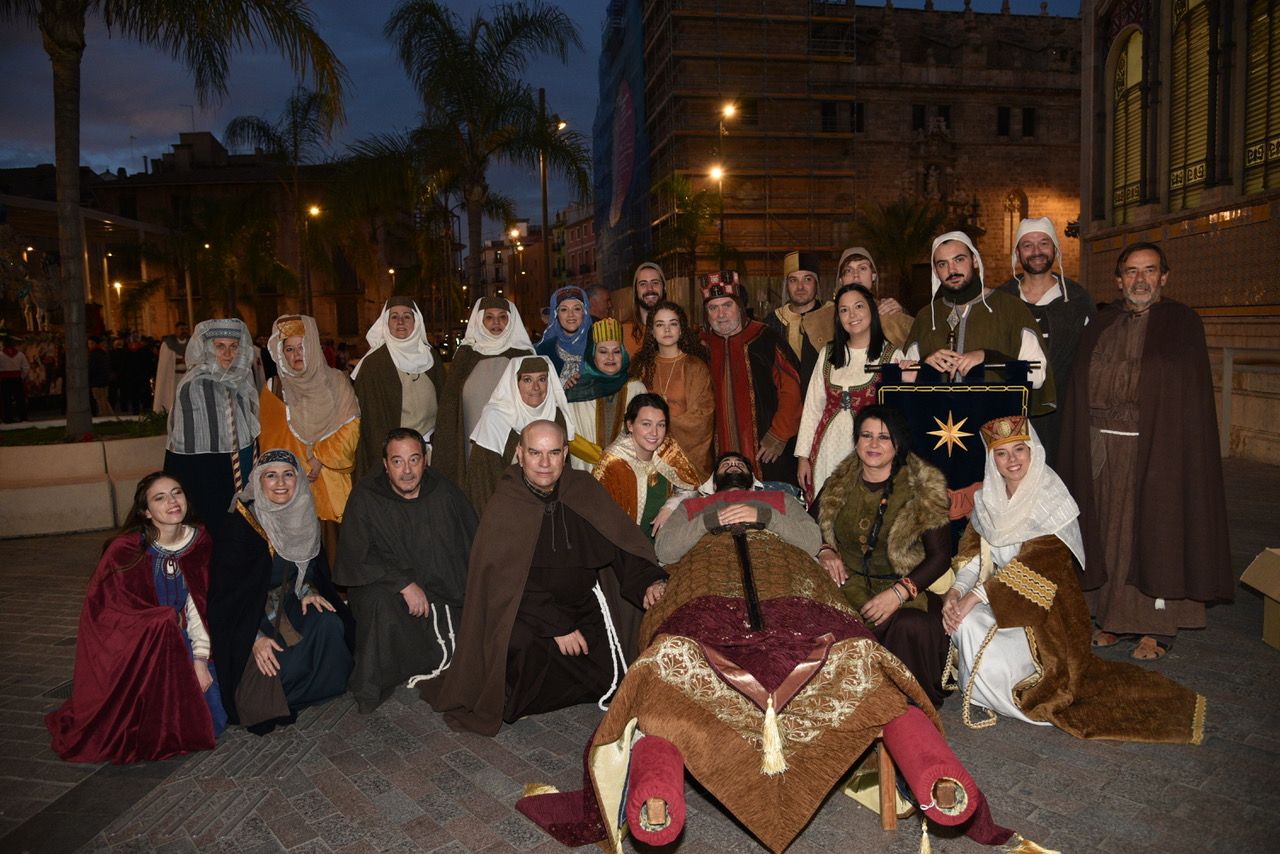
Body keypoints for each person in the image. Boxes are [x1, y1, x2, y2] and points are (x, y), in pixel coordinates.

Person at [942, 416, 1205, 742]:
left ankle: (1021, 693)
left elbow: (1036, 567)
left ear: (1033, 451)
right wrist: (956, 592)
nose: (1012, 460)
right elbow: (974, 557)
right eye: (1002, 453)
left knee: (975, 617)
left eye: (1019, 450)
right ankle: (985, 694)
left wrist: (974, 598)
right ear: (991, 459)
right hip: (1000, 596)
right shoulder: (986, 502)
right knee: (965, 622)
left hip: (1047, 611)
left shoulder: (1051, 499)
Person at [425, 420, 668, 735]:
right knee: (519, 648)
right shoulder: (506, 503)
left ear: (565, 454)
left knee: (614, 667)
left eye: (553, 453)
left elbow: (620, 544)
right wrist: (557, 625)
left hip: (582, 605)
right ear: (520, 454)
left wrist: (649, 580)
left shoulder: (582, 488)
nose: (544, 463)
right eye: (535, 452)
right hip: (524, 612)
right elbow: (502, 583)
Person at [1058, 242, 1233, 661]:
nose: (1140, 280)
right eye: (1131, 272)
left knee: (1153, 532)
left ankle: (1156, 627)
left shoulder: (1181, 324)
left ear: (1164, 277)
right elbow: (1080, 386)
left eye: (1149, 271)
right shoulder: (1101, 323)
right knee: (1105, 534)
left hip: (1158, 448)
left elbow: (1184, 396)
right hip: (1101, 449)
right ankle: (1113, 620)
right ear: (1118, 281)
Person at [47, 472, 227, 762]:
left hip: (189, 642)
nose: (172, 501)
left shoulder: (201, 541)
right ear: (146, 511)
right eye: (160, 497)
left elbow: (199, 606)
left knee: (214, 717)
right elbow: (105, 614)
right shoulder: (126, 550)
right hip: (140, 649)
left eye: (177, 493)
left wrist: (200, 660)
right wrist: (159, 622)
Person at [811, 404, 953, 707]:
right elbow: (810, 523)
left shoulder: (922, 486)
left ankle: (907, 707)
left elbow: (941, 557)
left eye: (884, 438)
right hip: (847, 587)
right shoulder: (838, 481)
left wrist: (899, 594)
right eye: (866, 435)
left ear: (897, 443)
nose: (874, 444)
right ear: (856, 440)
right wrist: (825, 549)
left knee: (913, 627)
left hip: (905, 588)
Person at [209, 450, 355, 732]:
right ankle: (284, 691)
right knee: (265, 675)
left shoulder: (303, 512)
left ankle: (313, 687)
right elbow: (226, 595)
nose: (280, 483)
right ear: (258, 482)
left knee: (328, 623)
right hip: (246, 617)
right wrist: (253, 637)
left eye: (288, 474)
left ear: (299, 479)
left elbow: (311, 568)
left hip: (288, 603)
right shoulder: (239, 525)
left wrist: (309, 589)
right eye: (270, 476)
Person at [335, 428, 477, 713]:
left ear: (425, 460)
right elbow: (356, 555)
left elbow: (472, 542)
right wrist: (404, 583)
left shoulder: (444, 492)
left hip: (444, 590)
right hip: (390, 588)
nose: (407, 471)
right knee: (377, 604)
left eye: (414, 460)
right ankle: (380, 678)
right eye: (397, 462)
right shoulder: (366, 496)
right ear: (386, 465)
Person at [901, 231, 1055, 415]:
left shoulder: (1010, 309)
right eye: (943, 264)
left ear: (974, 260)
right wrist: (925, 364)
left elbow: (1037, 376)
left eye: (959, 259)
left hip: (998, 429)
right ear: (935, 271)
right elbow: (905, 380)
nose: (952, 270)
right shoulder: (926, 317)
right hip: (938, 429)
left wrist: (989, 357)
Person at [260, 315, 361, 560]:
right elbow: (269, 443)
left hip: (330, 481)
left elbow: (351, 428)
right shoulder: (274, 388)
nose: (296, 355)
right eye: (289, 349)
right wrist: (295, 470)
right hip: (291, 488)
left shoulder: (337, 382)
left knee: (336, 555)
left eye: (302, 347)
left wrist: (319, 458)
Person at [997, 217, 1095, 462]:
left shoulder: (1077, 300)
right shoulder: (1000, 300)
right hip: (1009, 413)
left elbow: (1092, 358)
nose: (1037, 251)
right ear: (1018, 253)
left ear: (1055, 249)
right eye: (1028, 245)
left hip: (1063, 414)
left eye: (1044, 243)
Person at [795, 284, 901, 500]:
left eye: (858, 306)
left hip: (871, 453)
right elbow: (813, 408)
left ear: (871, 309)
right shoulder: (828, 354)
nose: (852, 315)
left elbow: (901, 417)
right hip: (826, 450)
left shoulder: (893, 356)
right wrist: (803, 457)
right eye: (844, 310)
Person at [700, 271, 804, 484]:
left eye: (727, 305)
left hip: (768, 453)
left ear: (739, 306)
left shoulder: (765, 338)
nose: (721, 314)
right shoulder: (700, 347)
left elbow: (792, 387)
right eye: (713, 308)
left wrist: (779, 434)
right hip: (716, 458)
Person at [164, 319, 259, 538]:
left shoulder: (244, 380)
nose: (228, 354)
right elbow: (182, 445)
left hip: (243, 467)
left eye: (234, 346)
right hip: (205, 474)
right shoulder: (193, 385)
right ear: (207, 348)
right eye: (220, 346)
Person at [433, 297, 535, 488]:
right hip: (471, 441)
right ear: (479, 321)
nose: (496, 323)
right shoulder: (465, 356)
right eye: (489, 317)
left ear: (511, 321)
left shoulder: (523, 355)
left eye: (503, 317)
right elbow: (449, 405)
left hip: (511, 442)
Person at [465, 355, 574, 513]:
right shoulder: (494, 419)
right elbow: (482, 483)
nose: (536, 388)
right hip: (506, 510)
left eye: (542, 379)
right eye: (527, 380)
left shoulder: (556, 416)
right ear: (514, 383)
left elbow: (563, 472)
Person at [351, 298, 443, 480]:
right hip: (395, 458)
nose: (400, 322)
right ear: (386, 323)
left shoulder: (431, 357)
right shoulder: (374, 364)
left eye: (407, 316)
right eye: (394, 317)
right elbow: (371, 424)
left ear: (416, 322)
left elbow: (446, 405)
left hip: (430, 452)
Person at [593, 394, 703, 540]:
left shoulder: (667, 449)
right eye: (646, 424)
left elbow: (691, 487)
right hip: (628, 548)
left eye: (661, 425)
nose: (654, 433)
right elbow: (599, 519)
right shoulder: (612, 464)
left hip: (666, 540)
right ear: (630, 425)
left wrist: (670, 506)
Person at [629, 301, 714, 474]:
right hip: (646, 455)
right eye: (660, 325)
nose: (667, 330)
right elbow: (631, 410)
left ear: (681, 330)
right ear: (652, 331)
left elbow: (701, 419)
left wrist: (658, 428)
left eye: (673, 324)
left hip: (686, 458)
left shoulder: (695, 367)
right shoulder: (641, 367)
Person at [565, 318, 646, 470]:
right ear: (592, 354)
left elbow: (645, 432)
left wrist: (618, 458)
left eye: (616, 351)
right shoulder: (577, 390)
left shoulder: (637, 388)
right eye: (603, 351)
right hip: (587, 473)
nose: (610, 357)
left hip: (629, 470)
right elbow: (569, 434)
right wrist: (601, 457)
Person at [765, 250, 834, 386]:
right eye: (793, 280)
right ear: (786, 285)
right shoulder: (772, 322)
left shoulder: (832, 315)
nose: (800, 286)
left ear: (816, 283)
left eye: (807, 279)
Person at [836, 246, 913, 348]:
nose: (856, 275)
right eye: (848, 270)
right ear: (841, 280)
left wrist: (902, 314)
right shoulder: (824, 318)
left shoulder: (887, 311)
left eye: (862, 268)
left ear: (873, 276)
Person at [536, 285, 593, 388]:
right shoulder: (543, 350)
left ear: (584, 312)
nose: (570, 315)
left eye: (576, 309)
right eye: (564, 310)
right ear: (556, 314)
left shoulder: (597, 344)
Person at [621, 262, 667, 357]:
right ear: (635, 291)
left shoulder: (676, 330)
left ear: (664, 288)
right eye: (643, 284)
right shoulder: (622, 333)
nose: (650, 288)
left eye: (655, 283)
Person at [0, 332, 31, 422]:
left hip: (5, 378)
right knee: (20, 398)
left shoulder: (1, 355)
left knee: (6, 399)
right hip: (17, 378)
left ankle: (8, 417)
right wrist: (21, 376)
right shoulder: (20, 354)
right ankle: (23, 416)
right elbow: (26, 367)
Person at [88, 336, 113, 416]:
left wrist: (89, 377)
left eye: (90, 343)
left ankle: (104, 414)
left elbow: (92, 368)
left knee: (100, 398)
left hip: (97, 380)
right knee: (103, 398)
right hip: (104, 379)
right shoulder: (103, 353)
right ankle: (108, 413)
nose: (89, 345)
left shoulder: (94, 354)